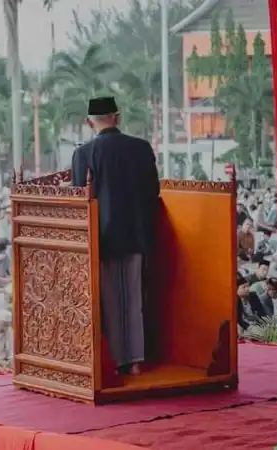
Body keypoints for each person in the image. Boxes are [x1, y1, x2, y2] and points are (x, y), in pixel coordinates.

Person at [71, 96, 160, 376]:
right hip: (136, 232)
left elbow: (78, 198)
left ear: (89, 122)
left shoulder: (84, 154)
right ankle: (135, 359)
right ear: (117, 117)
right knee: (133, 298)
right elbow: (153, 191)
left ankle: (115, 360)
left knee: (109, 299)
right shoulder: (141, 148)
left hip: (102, 237)